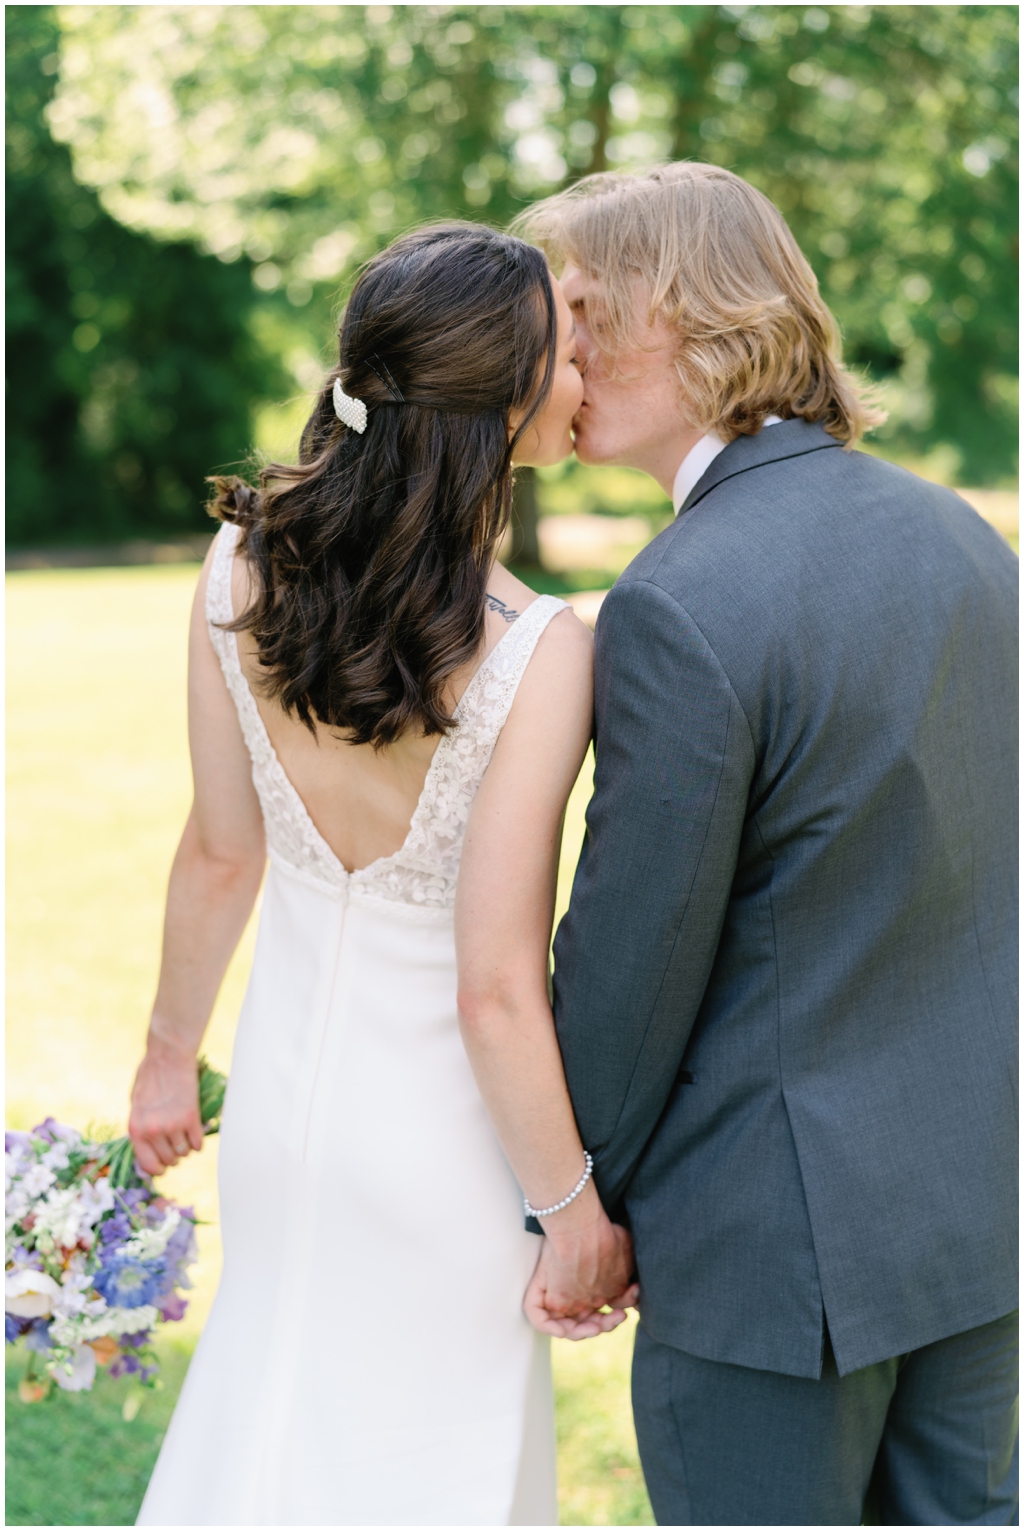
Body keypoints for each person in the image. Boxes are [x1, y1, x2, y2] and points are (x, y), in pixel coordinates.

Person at [518, 163, 1018, 1526]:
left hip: (769, 1259)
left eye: (573, 310)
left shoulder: (680, 598)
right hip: (977, 1222)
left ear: (668, 314)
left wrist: (574, 1202)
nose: (550, 353)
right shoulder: (967, 539)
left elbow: (634, 961)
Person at [129, 223, 636, 1528]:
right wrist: (570, 1211)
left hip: (289, 1127)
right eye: (570, 353)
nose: (589, 375)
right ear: (506, 397)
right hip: (446, 1163)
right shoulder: (539, 653)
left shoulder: (239, 565)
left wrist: (168, 1056)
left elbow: (221, 850)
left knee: (270, 1436)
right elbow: (494, 990)